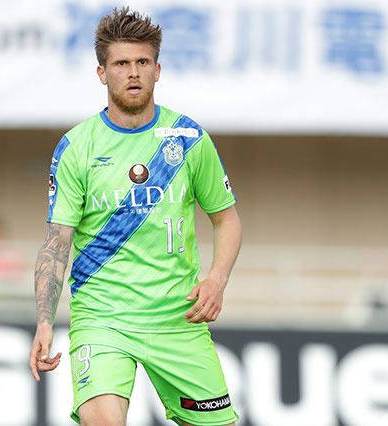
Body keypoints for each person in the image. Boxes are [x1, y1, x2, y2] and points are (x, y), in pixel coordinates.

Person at [29, 8, 241, 426]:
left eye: (142, 62)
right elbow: (57, 242)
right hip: (103, 319)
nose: (133, 73)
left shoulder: (188, 138)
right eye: (121, 63)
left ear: (157, 70)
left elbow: (226, 218)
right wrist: (44, 321)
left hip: (178, 318)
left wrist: (217, 279)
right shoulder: (77, 147)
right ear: (101, 72)